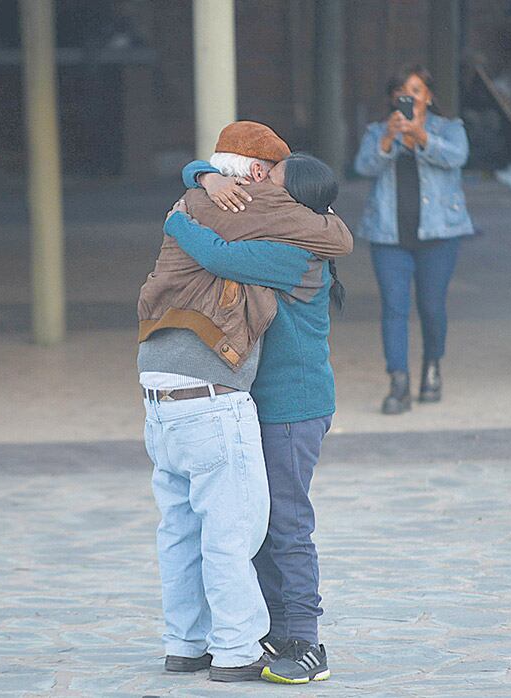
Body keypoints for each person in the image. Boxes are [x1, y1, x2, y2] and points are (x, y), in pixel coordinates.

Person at [139, 122, 352, 682]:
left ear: (293, 201)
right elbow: (223, 196)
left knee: (285, 524)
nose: (259, 186)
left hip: (292, 405)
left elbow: (216, 254)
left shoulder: (292, 254)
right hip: (255, 402)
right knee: (255, 523)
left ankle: (303, 638)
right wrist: (205, 178)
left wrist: (180, 218)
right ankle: (269, 631)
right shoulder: (280, 235)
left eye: (274, 183)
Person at [353, 64, 476, 415]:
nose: (410, 98)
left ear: (429, 96)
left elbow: (457, 157)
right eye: (403, 92)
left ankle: (432, 366)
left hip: (439, 234)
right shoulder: (377, 130)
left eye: (417, 91)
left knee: (432, 308)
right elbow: (362, 166)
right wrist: (389, 140)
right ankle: (398, 383)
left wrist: (421, 137)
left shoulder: (450, 128)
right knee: (393, 308)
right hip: (388, 236)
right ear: (394, 98)